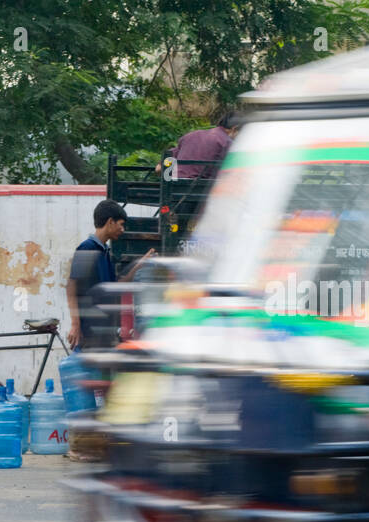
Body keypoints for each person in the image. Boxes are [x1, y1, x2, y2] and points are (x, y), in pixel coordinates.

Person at [66, 200, 155, 350]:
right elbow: (71, 286)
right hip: (91, 333)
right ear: (110, 222)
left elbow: (117, 286)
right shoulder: (88, 248)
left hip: (104, 332)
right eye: (121, 224)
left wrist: (140, 264)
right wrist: (75, 325)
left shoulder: (105, 252)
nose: (122, 229)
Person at [156, 113, 242, 180]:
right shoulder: (227, 142)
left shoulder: (191, 135)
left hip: (175, 186)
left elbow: (159, 168)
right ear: (234, 129)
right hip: (200, 191)